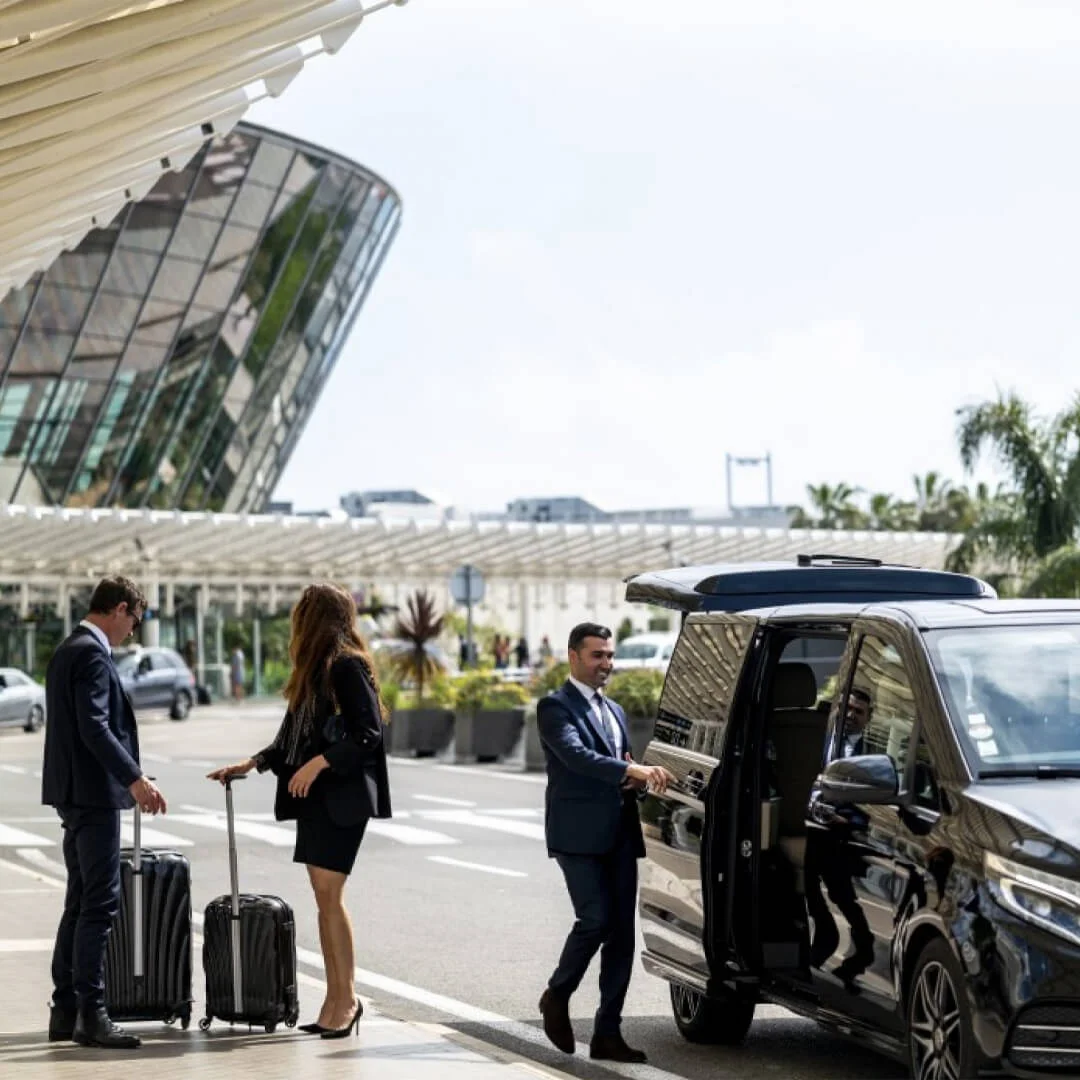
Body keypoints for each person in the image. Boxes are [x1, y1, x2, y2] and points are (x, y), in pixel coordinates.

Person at [208, 583, 391, 1038]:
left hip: (341, 797)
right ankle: (335, 999)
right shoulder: (315, 671)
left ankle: (347, 1000)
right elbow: (290, 737)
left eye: (302, 613)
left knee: (330, 896)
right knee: (324, 899)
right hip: (317, 798)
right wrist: (251, 763)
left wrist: (319, 762)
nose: (296, 621)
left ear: (314, 618)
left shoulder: (347, 665)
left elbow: (368, 733)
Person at [536, 622, 674, 1064]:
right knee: (594, 920)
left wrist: (635, 779)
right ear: (573, 656)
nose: (606, 664)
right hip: (577, 836)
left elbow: (618, 765)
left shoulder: (614, 711)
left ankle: (607, 1033)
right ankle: (557, 994)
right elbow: (576, 757)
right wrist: (630, 770)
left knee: (621, 937)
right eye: (597, 655)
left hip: (619, 834)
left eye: (610, 656)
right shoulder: (554, 707)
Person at [41, 575, 167, 1049]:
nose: (132, 631)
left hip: (72, 792)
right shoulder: (92, 654)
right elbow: (95, 726)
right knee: (99, 903)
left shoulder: (67, 649)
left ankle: (65, 1011)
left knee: (79, 901)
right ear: (118, 609)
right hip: (93, 795)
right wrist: (135, 779)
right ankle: (92, 1015)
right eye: (134, 620)